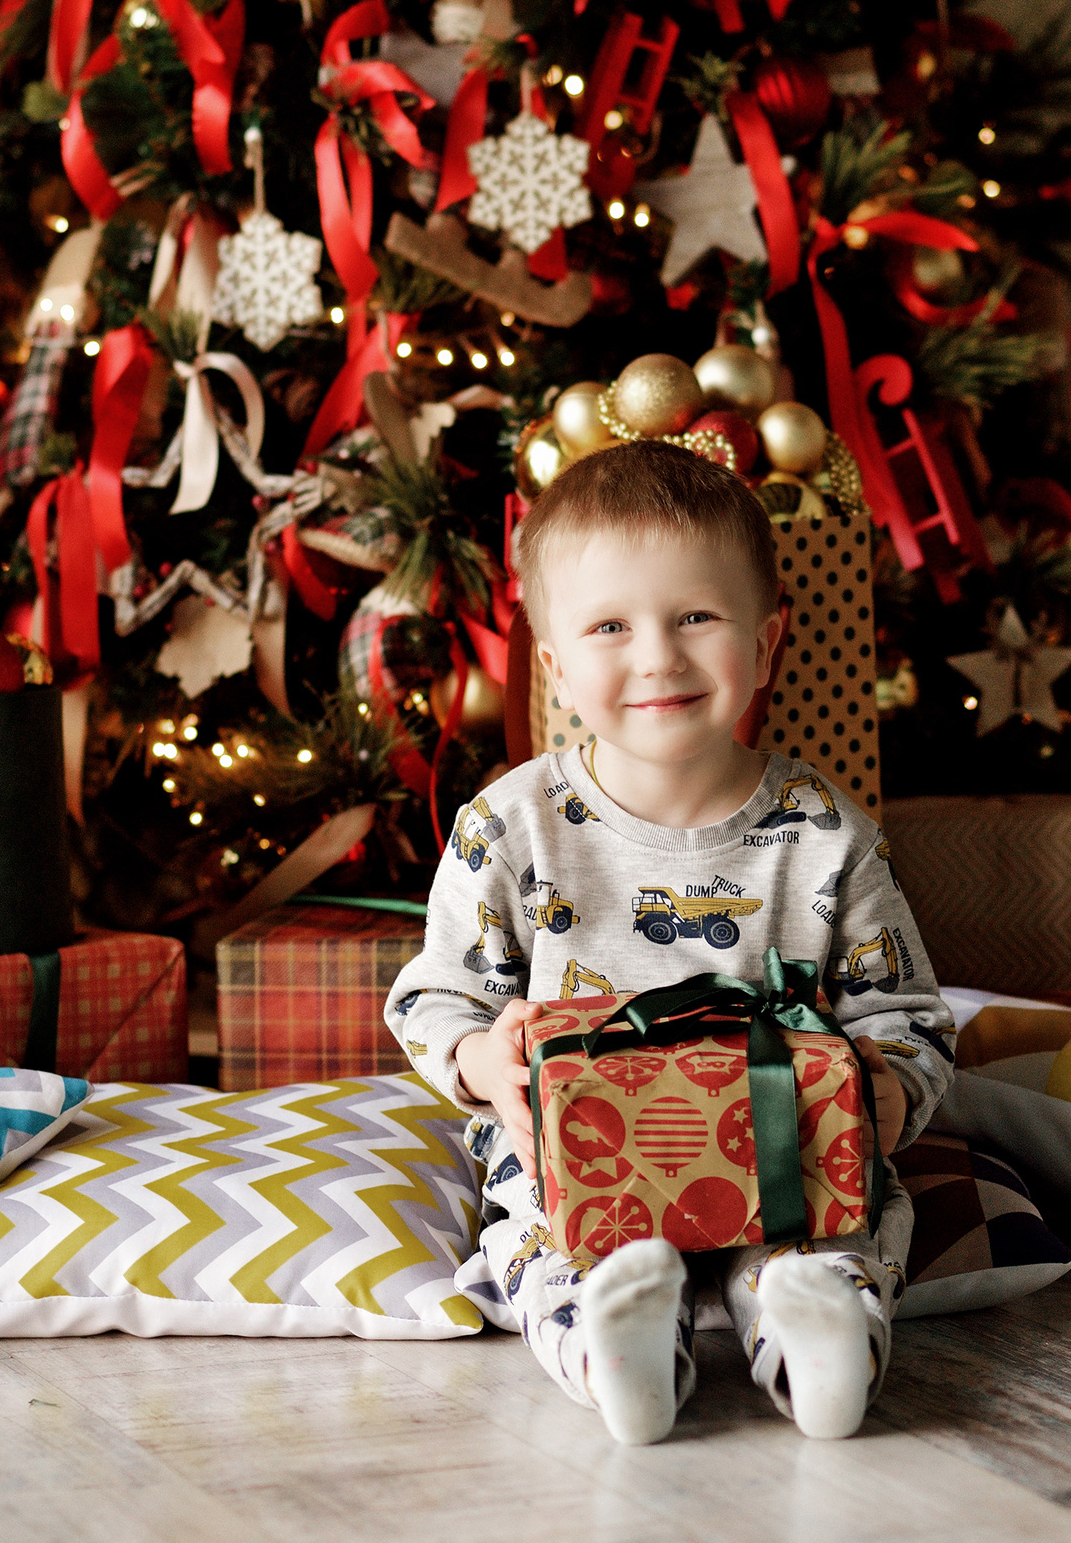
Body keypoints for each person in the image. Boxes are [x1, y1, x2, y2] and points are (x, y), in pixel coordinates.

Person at [383, 439, 956, 1444]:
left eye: (696, 616)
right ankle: (622, 1348)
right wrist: (482, 1059)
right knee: (543, 1244)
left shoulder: (825, 834)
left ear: (767, 643)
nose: (657, 656)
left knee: (842, 1236)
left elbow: (907, 1013)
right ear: (556, 667)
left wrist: (886, 1088)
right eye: (610, 626)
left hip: (780, 1149)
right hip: (581, 1157)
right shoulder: (510, 828)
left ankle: (818, 1342)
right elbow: (435, 1000)